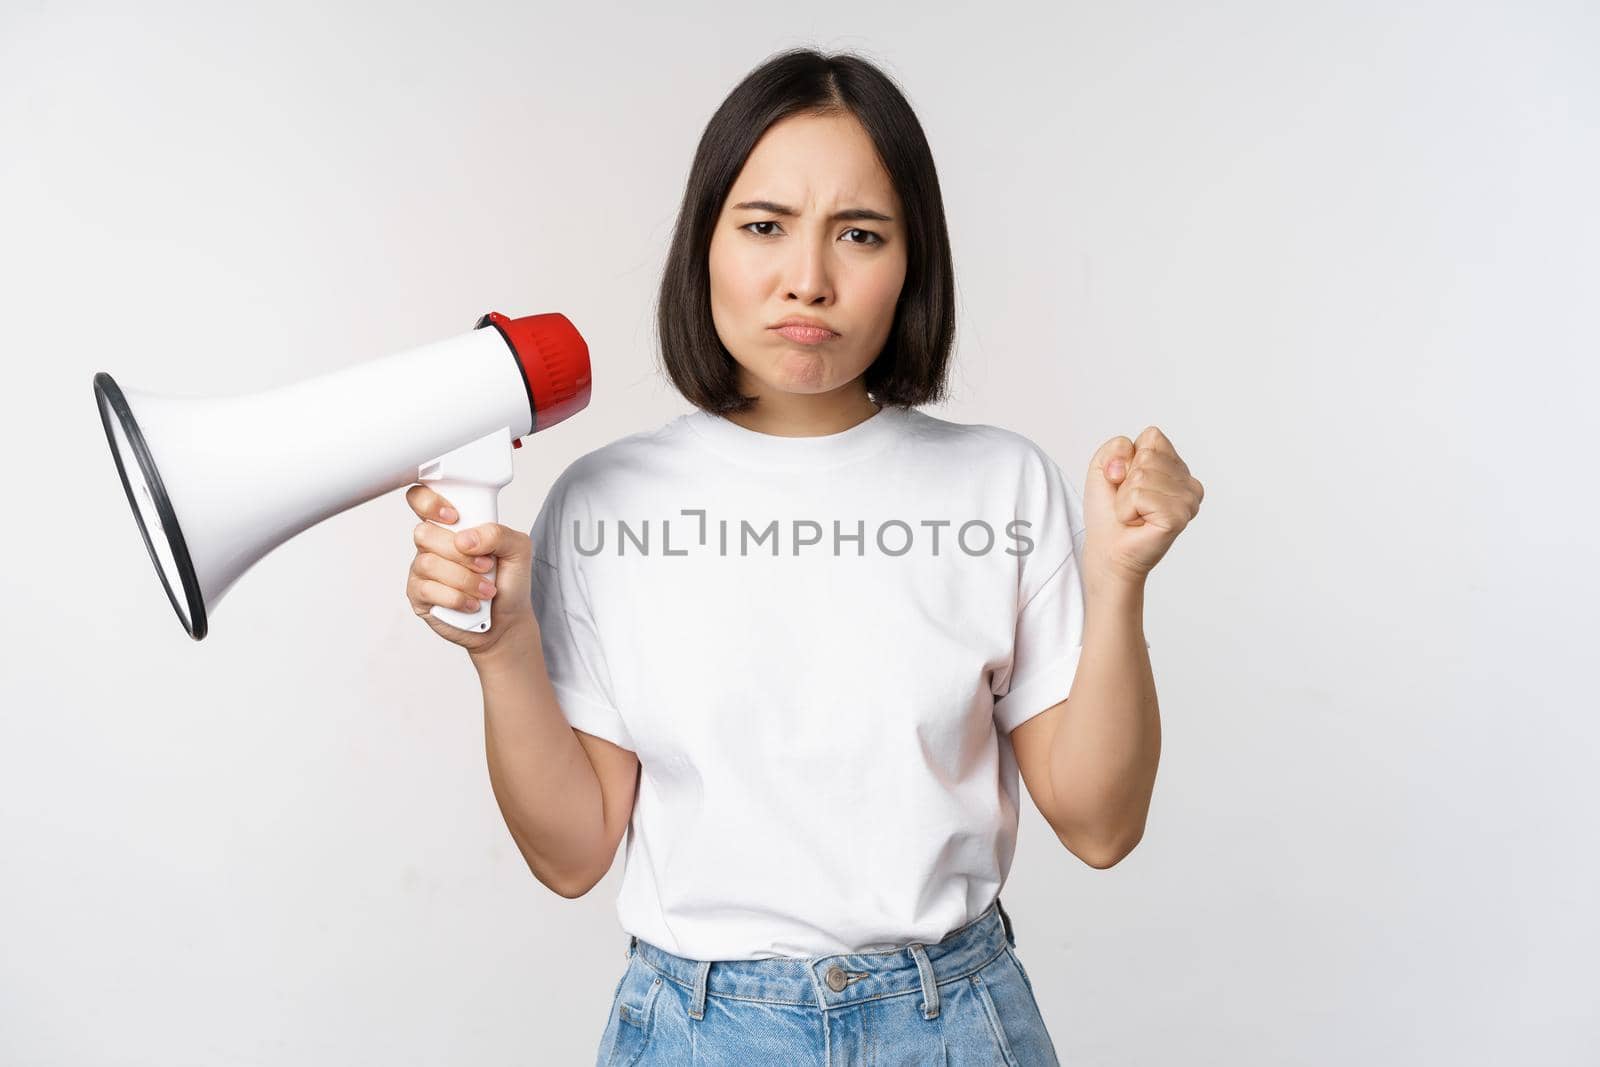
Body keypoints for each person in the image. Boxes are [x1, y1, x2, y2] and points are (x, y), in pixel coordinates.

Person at [404, 47, 1201, 1067]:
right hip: (692, 1031)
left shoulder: (999, 486)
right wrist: (501, 645)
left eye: (859, 234)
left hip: (952, 1024)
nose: (809, 279)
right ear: (705, 245)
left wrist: (1118, 577)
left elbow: (1099, 824)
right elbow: (569, 854)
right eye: (764, 226)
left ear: (912, 261)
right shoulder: (605, 502)